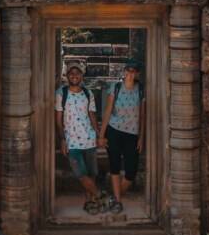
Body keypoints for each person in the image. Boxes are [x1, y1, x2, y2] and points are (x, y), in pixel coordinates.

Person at [97, 58, 145, 214]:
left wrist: (141, 137)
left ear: (137, 74)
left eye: (133, 71)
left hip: (132, 134)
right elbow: (108, 111)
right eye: (128, 71)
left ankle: (112, 196)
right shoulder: (116, 88)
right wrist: (101, 135)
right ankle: (117, 201)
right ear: (124, 72)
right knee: (115, 166)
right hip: (114, 130)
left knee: (131, 171)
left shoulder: (140, 90)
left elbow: (142, 115)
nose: (130, 74)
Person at [55, 61, 103, 214]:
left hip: (89, 138)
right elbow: (58, 119)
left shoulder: (88, 93)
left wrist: (98, 134)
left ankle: (90, 201)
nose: (74, 75)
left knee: (91, 173)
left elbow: (92, 115)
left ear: (82, 75)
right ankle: (102, 197)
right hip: (72, 141)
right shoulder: (61, 93)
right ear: (67, 75)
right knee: (81, 174)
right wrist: (62, 139)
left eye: (77, 73)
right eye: (71, 73)